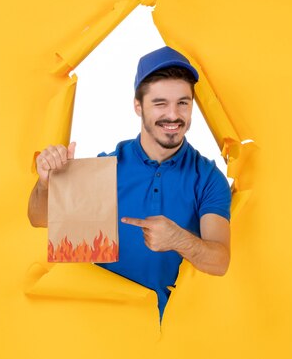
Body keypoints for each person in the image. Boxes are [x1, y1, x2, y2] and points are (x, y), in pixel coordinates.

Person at [27, 46, 232, 318]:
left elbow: (220, 261)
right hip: (97, 325)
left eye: (183, 103)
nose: (173, 115)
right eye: (160, 103)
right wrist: (45, 183)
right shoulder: (107, 167)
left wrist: (179, 239)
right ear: (138, 106)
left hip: (164, 330)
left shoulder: (207, 177)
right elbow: (40, 219)